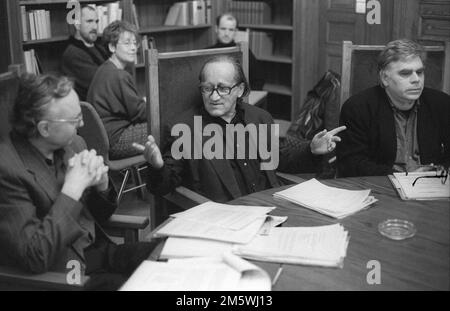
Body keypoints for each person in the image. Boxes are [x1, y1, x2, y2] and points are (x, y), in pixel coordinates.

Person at [0, 73, 156, 290]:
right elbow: (35, 256)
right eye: (75, 120)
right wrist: (72, 189)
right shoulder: (7, 169)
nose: (82, 123)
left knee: (165, 255)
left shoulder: (74, 144)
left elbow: (100, 215)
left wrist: (101, 185)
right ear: (44, 128)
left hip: (97, 253)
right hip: (64, 274)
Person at [135, 55, 345, 203]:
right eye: (207, 88)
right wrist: (157, 166)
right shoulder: (184, 128)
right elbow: (163, 187)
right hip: (225, 220)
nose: (214, 96)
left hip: (270, 208)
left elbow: (278, 158)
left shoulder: (259, 117)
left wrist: (311, 149)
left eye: (223, 88)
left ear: (240, 90)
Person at [337, 39, 450, 177]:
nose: (416, 80)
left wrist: (440, 170)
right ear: (385, 78)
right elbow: (350, 163)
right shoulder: (358, 108)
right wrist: (404, 176)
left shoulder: (441, 103)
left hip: (431, 185)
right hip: (382, 186)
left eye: (419, 72)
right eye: (405, 73)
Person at [87, 20, 147, 160]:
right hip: (117, 140)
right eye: (127, 43)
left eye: (135, 43)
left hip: (103, 141)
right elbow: (140, 113)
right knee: (170, 127)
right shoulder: (119, 75)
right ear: (112, 47)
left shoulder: (105, 69)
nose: (133, 48)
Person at [61, 5, 109, 101]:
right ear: (77, 25)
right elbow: (102, 82)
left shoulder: (98, 47)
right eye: (89, 21)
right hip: (93, 108)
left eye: (96, 21)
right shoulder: (72, 53)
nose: (95, 27)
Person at [208, 13, 265, 90]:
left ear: (236, 31)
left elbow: (259, 80)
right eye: (223, 29)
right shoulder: (206, 52)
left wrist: (247, 97)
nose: (226, 33)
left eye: (231, 30)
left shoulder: (244, 52)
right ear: (216, 29)